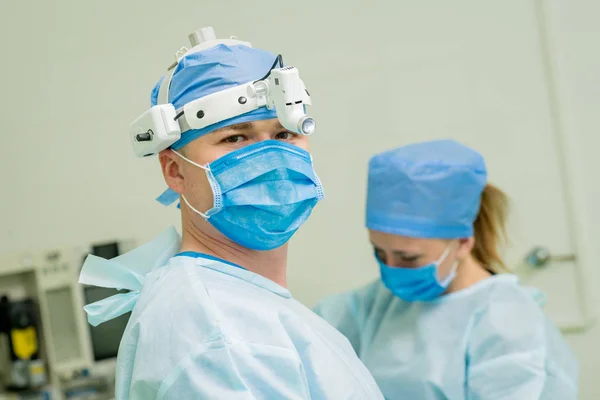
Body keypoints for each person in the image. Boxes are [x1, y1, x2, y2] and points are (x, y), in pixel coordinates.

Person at [79, 27, 384, 399]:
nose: (271, 157)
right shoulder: (217, 331)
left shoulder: (237, 306)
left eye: (285, 135)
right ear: (174, 170)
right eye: (234, 138)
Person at [315, 139, 578, 399]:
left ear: (462, 243)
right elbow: (310, 341)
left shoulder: (505, 318)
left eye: (408, 258)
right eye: (379, 253)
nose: (391, 269)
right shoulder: (376, 304)